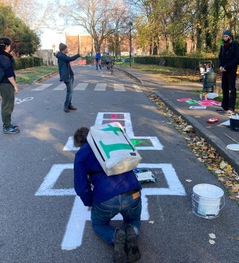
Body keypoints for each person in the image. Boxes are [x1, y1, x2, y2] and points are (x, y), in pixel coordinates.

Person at [73, 127, 142, 263]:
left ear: (79, 143)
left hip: (106, 198)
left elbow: (81, 188)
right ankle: (132, 231)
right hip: (133, 192)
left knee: (99, 224)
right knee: (133, 219)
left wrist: (90, 202)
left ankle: (115, 236)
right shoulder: (110, 142)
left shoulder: (81, 154)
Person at [0, 37, 19, 134]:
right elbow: (9, 75)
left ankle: (7, 124)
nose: (10, 47)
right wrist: (15, 86)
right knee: (7, 106)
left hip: (2, 83)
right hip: (6, 84)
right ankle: (7, 127)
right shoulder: (5, 58)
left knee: (6, 105)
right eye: (9, 45)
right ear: (6, 46)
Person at [218, 29, 239, 115]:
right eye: (224, 36)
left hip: (231, 69)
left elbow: (237, 58)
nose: (225, 38)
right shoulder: (223, 45)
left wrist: (227, 67)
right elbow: (220, 56)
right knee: (224, 87)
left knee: (232, 88)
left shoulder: (235, 44)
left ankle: (231, 107)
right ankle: (225, 106)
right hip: (223, 69)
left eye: (226, 36)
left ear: (230, 37)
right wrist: (220, 66)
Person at [56, 43, 81, 112]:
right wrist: (78, 55)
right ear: (63, 49)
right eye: (66, 48)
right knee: (70, 92)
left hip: (69, 75)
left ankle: (69, 104)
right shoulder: (61, 56)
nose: (67, 49)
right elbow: (70, 59)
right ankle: (66, 106)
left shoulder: (62, 55)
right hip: (66, 77)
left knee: (70, 91)